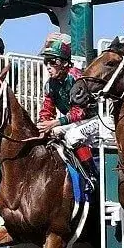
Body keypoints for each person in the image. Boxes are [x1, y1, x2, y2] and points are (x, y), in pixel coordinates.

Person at [35, 33, 99, 184]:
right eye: (46, 62)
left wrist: (55, 123)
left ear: (64, 63)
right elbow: (46, 110)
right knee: (50, 134)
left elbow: (80, 112)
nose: (48, 67)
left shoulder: (76, 77)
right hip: (74, 122)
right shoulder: (50, 84)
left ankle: (92, 176)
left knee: (72, 135)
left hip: (95, 119)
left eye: (52, 62)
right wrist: (43, 125)